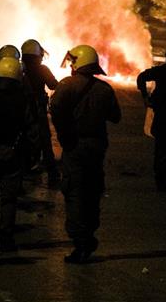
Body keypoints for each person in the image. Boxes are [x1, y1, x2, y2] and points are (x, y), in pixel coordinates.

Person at [50, 44, 121, 264]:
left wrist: (65, 134)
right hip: (97, 145)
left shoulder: (66, 86)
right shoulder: (104, 89)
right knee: (92, 190)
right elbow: (115, 116)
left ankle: (81, 242)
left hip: (75, 146)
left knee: (74, 191)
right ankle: (89, 234)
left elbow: (55, 110)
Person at [0, 57, 41, 251]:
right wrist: (32, 155)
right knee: (9, 199)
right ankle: (6, 238)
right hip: (13, 155)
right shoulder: (23, 100)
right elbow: (32, 130)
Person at [136, 44, 166, 191]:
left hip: (161, 115)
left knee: (160, 149)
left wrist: (145, 96)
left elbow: (141, 77)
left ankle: (161, 180)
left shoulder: (161, 71)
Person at [21, 38, 60, 185]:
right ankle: (52, 175)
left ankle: (25, 170)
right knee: (45, 141)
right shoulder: (42, 69)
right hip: (38, 111)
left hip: (22, 111)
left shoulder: (18, 68)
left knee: (24, 139)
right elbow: (53, 85)